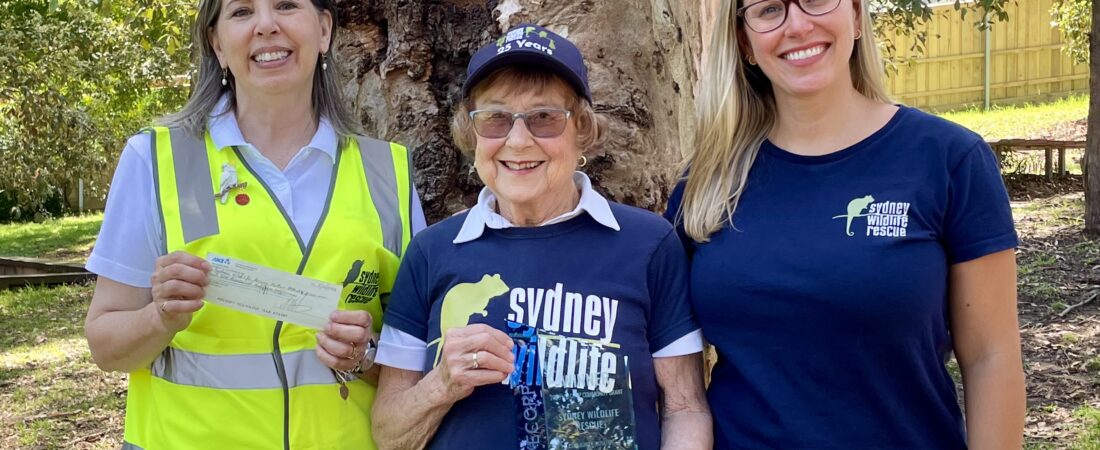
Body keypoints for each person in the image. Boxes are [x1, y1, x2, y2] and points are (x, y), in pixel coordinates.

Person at [665, 0, 1026, 448]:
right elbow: (672, 368)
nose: (797, 25)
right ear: (745, 42)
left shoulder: (949, 159)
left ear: (855, 16)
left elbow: (991, 356)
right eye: (769, 9)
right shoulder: (706, 183)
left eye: (816, 0)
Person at [83, 0, 425, 448]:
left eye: (286, 6)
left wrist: (366, 354)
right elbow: (105, 347)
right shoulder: (155, 159)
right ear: (217, 43)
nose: (266, 26)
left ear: (324, 31)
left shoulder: (388, 172)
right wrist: (158, 318)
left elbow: (417, 364)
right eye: (242, 11)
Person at [370, 23, 712, 450]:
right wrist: (441, 384)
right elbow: (388, 434)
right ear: (470, 134)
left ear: (582, 129)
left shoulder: (647, 244)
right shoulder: (431, 252)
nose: (517, 140)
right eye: (494, 119)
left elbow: (685, 407)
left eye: (544, 118)